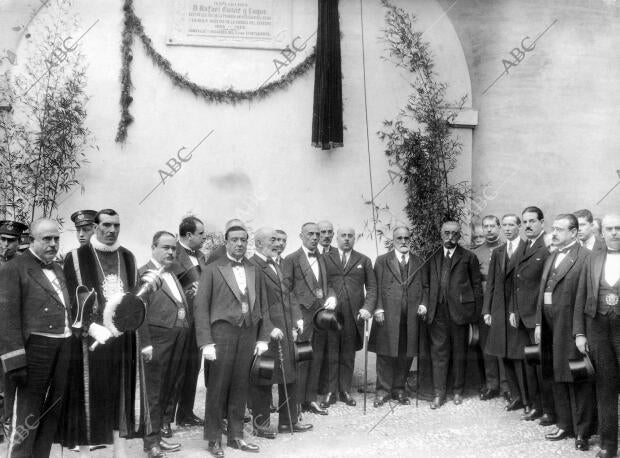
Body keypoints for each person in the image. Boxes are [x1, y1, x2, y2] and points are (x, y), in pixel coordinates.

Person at [59, 209, 143, 456]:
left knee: (120, 394)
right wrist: (89, 325)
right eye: (106, 225)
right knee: (86, 394)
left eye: (116, 225)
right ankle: (85, 452)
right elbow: (69, 297)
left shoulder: (128, 257)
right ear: (95, 227)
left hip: (121, 338)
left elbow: (135, 298)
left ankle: (120, 450)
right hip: (88, 339)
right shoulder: (75, 257)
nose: (111, 230)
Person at [194, 223, 272, 457]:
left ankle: (236, 435)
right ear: (226, 242)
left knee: (240, 385)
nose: (239, 244)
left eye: (243, 240)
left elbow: (263, 305)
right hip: (222, 334)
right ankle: (214, 438)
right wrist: (206, 342)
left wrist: (263, 337)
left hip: (248, 333)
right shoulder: (212, 269)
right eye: (234, 240)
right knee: (217, 387)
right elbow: (200, 308)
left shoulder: (254, 269)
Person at [0, 218, 72, 458]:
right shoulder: (14, 268)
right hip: (33, 351)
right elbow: (7, 318)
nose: (53, 244)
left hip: (62, 348)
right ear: (31, 240)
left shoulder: (58, 268)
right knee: (25, 419)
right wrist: (14, 361)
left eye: (56, 239)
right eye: (46, 239)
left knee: (49, 416)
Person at [534, 214, 593, 450]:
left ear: (574, 232)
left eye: (560, 229)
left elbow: (586, 298)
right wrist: (539, 324)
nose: (554, 233)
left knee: (578, 380)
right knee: (557, 376)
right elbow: (542, 293)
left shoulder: (585, 258)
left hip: (571, 329)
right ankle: (564, 423)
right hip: (550, 329)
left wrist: (580, 333)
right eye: (553, 229)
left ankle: (583, 432)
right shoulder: (552, 256)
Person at [249, 227, 313, 437]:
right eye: (272, 240)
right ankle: (261, 426)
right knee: (264, 378)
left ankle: (289, 422)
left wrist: (298, 319)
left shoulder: (277, 263)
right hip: (267, 335)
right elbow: (256, 303)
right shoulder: (253, 266)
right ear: (258, 243)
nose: (277, 244)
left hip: (286, 332)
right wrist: (269, 328)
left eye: (279, 240)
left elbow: (289, 294)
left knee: (290, 377)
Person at [139, 231, 189, 457]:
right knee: (154, 392)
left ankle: (158, 436)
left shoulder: (173, 274)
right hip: (157, 340)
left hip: (177, 338)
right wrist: (145, 343)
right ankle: (151, 444)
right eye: (166, 247)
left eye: (173, 249)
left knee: (169, 387)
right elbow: (138, 313)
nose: (171, 252)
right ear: (153, 247)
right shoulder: (143, 274)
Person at [575, 214, 620, 458]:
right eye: (609, 229)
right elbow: (580, 297)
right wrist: (579, 333)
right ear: (601, 231)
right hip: (598, 330)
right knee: (605, 388)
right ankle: (608, 446)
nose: (614, 232)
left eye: (618, 228)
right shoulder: (592, 259)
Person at [425, 221, 483, 409]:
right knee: (439, 353)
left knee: (459, 353)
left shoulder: (468, 257)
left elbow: (476, 287)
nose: (450, 237)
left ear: (459, 236)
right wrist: (426, 307)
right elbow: (426, 285)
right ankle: (439, 393)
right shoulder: (431, 256)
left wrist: (475, 314)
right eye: (446, 233)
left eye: (454, 234)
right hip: (437, 312)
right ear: (441, 234)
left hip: (460, 312)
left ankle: (458, 391)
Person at [369, 226, 427, 406]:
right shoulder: (382, 260)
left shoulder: (419, 261)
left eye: (406, 238)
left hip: (411, 317)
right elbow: (375, 286)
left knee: (406, 353)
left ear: (411, 239)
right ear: (393, 240)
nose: (403, 241)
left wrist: (424, 304)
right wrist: (378, 309)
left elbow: (426, 287)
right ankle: (382, 391)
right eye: (399, 238)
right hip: (388, 315)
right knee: (385, 353)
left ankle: (399, 389)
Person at [283, 222, 336, 416]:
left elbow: (328, 284)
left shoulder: (322, 258)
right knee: (302, 359)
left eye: (317, 234)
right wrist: (296, 317)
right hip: (302, 318)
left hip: (321, 316)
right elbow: (286, 291)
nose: (315, 237)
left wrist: (331, 296)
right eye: (310, 234)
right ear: (301, 236)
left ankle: (310, 399)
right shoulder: (292, 259)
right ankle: (296, 402)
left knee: (317, 358)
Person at [322, 227, 377, 406]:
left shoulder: (364, 260)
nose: (346, 239)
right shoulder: (325, 259)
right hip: (331, 314)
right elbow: (324, 283)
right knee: (331, 352)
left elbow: (372, 288)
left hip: (354, 315)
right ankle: (330, 391)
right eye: (343, 236)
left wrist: (367, 308)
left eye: (350, 236)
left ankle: (345, 390)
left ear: (355, 239)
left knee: (347, 353)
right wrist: (330, 295)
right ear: (336, 238)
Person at [483, 214, 531, 417]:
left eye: (512, 224)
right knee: (504, 354)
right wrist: (487, 310)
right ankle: (516, 396)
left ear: (519, 226)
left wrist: (517, 310)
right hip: (499, 310)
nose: (508, 228)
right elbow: (492, 283)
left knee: (520, 357)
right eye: (505, 225)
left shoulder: (527, 249)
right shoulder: (499, 252)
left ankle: (528, 399)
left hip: (517, 310)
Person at [511, 206, 555, 425]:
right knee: (531, 365)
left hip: (537, 319)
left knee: (542, 367)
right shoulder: (524, 245)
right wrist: (513, 310)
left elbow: (545, 288)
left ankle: (549, 410)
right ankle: (536, 406)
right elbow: (516, 282)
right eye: (525, 221)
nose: (527, 225)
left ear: (542, 223)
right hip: (522, 316)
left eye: (532, 221)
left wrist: (539, 321)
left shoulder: (547, 248)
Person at [169, 216, 207, 432]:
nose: (204, 237)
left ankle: (185, 413)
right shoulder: (172, 253)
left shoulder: (201, 255)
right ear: (189, 235)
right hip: (179, 320)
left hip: (198, 320)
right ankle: (165, 420)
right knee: (176, 370)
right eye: (201, 234)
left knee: (193, 366)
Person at [473, 215, 503, 401]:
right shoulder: (476, 253)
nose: (489, 230)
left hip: (505, 304)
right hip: (485, 304)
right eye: (486, 226)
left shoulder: (509, 248)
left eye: (493, 226)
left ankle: (508, 386)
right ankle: (492, 384)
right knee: (486, 345)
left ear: (499, 227)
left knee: (505, 344)